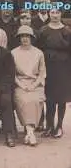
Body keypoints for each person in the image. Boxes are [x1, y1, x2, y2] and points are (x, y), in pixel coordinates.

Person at [37, 8, 71, 138]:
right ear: (49, 14)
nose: (55, 15)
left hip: (63, 68)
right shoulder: (43, 30)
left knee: (61, 98)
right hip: (48, 67)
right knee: (49, 98)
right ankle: (49, 126)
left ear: (61, 14)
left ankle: (60, 126)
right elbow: (39, 48)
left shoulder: (67, 31)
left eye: (57, 13)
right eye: (52, 12)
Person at [11, 25, 46, 146]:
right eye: (22, 36)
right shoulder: (13, 53)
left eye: (27, 36)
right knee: (24, 100)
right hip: (20, 84)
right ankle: (31, 133)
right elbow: (12, 74)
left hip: (35, 84)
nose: (25, 39)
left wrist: (34, 85)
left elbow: (42, 73)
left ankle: (29, 132)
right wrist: (21, 85)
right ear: (19, 38)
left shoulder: (39, 53)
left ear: (31, 37)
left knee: (35, 100)